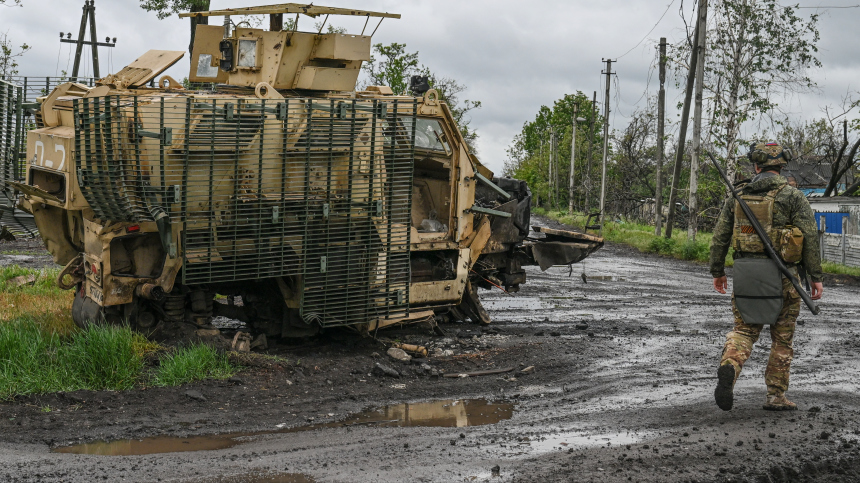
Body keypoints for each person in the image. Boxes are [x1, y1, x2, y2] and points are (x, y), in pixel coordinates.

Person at [709, 142, 823, 411]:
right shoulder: (793, 196)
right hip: (785, 277)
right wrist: (815, 277)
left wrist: (717, 271)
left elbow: (720, 237)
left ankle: (730, 366)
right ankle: (775, 396)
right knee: (782, 339)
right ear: (781, 166)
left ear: (756, 166)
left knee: (744, 330)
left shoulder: (738, 196)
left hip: (746, 273)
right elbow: (809, 238)